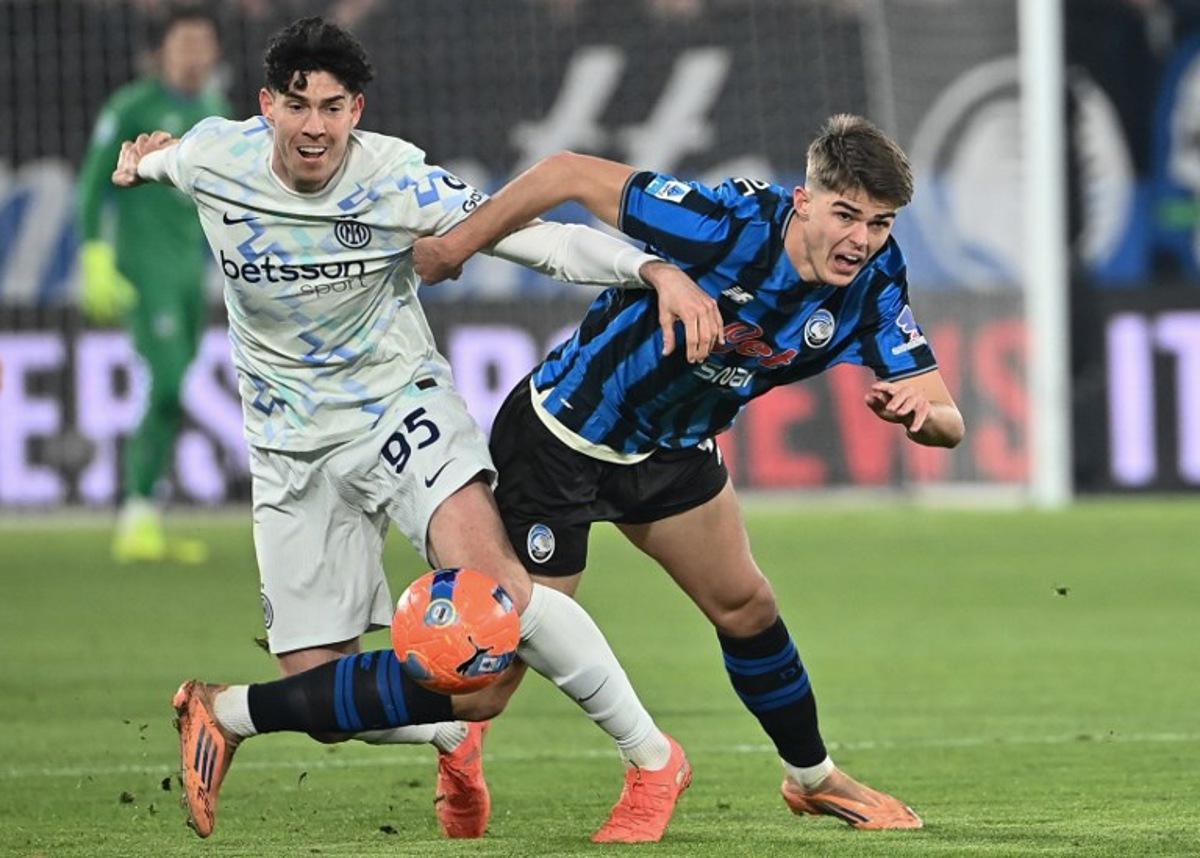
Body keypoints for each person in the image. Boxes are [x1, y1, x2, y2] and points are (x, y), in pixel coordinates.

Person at [111, 16, 722, 845]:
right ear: (267, 107)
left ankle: (652, 760)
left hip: (401, 410)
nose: (315, 127)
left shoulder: (398, 179)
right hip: (289, 448)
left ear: (357, 109)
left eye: (333, 107)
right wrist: (139, 160)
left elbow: (540, 238)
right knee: (323, 700)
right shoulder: (216, 158)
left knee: (499, 598)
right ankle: (451, 736)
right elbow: (158, 158)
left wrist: (651, 268)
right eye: (297, 106)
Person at [412, 114, 966, 830]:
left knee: (747, 606)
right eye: (847, 215)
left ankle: (812, 777)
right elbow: (566, 174)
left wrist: (921, 419)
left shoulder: (875, 280)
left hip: (674, 448)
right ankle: (457, 744)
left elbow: (947, 415)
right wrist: (458, 248)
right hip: (566, 435)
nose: (861, 240)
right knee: (499, 664)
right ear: (806, 199)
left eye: (881, 223)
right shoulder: (729, 225)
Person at [77, 5, 229, 563]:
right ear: (162, 52)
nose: (193, 54)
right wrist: (95, 254)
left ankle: (145, 518)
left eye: (202, 43)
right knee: (164, 384)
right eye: (184, 43)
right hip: (145, 273)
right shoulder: (132, 107)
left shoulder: (214, 112)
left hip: (192, 274)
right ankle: (135, 510)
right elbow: (92, 186)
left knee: (172, 393)